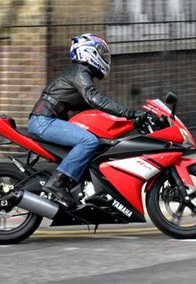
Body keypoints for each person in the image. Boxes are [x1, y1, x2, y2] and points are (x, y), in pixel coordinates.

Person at [28, 33, 145, 206]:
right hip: (43, 121)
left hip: (47, 120)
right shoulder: (80, 72)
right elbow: (95, 99)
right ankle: (57, 184)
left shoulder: (81, 74)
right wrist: (130, 113)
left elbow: (92, 107)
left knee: (94, 140)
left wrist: (129, 122)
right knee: (89, 141)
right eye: (100, 53)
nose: (104, 58)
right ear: (88, 52)